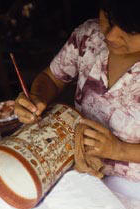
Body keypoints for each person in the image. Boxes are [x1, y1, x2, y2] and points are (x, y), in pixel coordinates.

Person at [15, 0, 140, 183]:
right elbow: (51, 79)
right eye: (110, 20)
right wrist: (37, 97)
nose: (112, 36)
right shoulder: (90, 36)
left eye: (131, 31)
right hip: (78, 171)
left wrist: (119, 150)